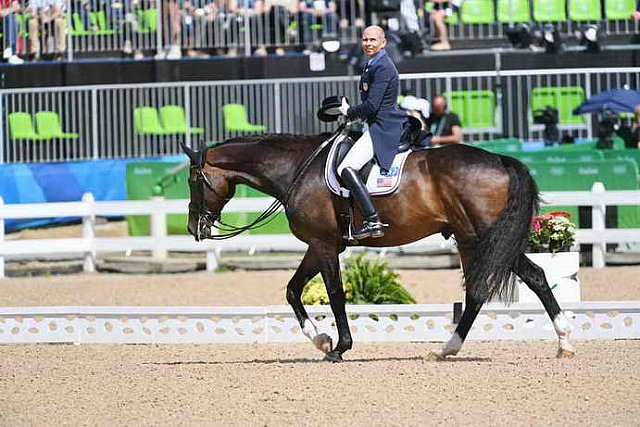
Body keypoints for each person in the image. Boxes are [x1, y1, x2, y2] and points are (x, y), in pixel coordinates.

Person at [337, 25, 407, 240]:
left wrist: (349, 111)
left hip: (382, 127)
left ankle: (372, 219)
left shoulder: (383, 67)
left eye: (373, 40)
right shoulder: (372, 64)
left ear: (383, 43)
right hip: (374, 124)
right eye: (365, 40)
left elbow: (372, 106)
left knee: (346, 168)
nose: (368, 43)